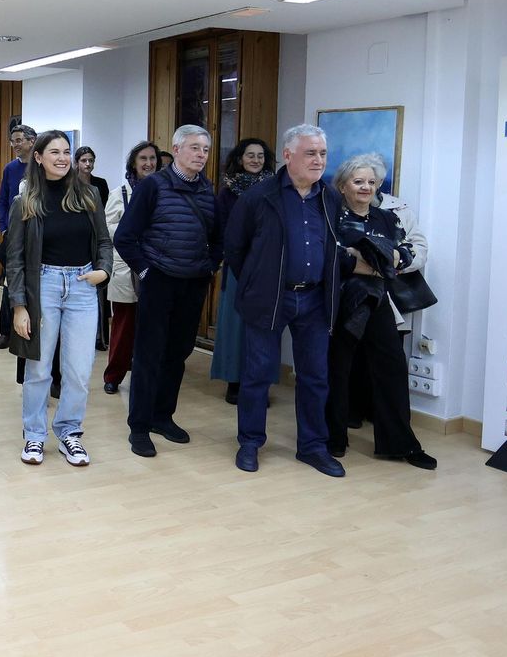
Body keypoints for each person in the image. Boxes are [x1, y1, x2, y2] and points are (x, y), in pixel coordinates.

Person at [223, 124, 351, 477]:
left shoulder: (330, 197)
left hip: (315, 300)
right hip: (270, 299)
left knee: (315, 377)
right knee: (257, 374)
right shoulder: (259, 196)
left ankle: (312, 446)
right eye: (310, 153)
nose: (318, 160)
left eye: (322, 153)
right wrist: (256, 283)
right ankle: (250, 442)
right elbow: (235, 247)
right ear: (288, 155)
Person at [4, 130, 113, 467]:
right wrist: (19, 306)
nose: (63, 158)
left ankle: (69, 432)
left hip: (82, 286)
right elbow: (14, 258)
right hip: (43, 286)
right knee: (39, 369)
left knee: (79, 370)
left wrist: (104, 270)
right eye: (54, 152)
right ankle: (35, 435)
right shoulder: (25, 201)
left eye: (66, 151)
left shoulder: (89, 195)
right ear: (38, 157)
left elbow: (104, 241)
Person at [325, 154, 436, 469]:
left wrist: (383, 260)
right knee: (338, 369)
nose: (366, 187)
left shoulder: (385, 218)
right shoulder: (331, 217)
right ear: (343, 185)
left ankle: (400, 444)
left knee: (392, 368)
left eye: (371, 182)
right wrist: (375, 262)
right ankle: (334, 439)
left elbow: (405, 251)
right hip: (343, 301)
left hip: (377, 300)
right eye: (358, 181)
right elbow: (332, 257)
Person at [115, 125, 221, 456]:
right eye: (194, 148)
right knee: (149, 354)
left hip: (193, 282)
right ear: (176, 150)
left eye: (205, 149)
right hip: (160, 280)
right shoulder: (152, 186)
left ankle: (163, 417)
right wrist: (146, 271)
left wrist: (210, 266)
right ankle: (139, 426)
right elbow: (124, 237)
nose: (201, 154)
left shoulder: (207, 190)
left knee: (178, 353)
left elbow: (218, 237)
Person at [209, 138, 274, 404]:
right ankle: (235, 381)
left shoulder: (276, 191)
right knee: (235, 326)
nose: (256, 160)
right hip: (237, 267)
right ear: (239, 159)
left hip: (268, 269)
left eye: (260, 155)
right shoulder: (227, 194)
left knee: (264, 328)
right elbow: (223, 231)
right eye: (250, 155)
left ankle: (259, 384)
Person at [102, 141, 160, 394]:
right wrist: (135, 227)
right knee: (123, 325)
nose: (148, 163)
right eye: (143, 159)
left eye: (152, 158)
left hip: (156, 265)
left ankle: (145, 377)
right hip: (126, 267)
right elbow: (107, 228)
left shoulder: (164, 190)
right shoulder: (120, 193)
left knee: (152, 327)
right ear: (133, 164)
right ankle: (113, 375)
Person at [0, 123, 36, 348]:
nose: (15, 145)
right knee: (10, 280)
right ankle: (6, 331)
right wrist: (4, 228)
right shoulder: (10, 168)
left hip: (36, 234)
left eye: (19, 140)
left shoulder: (41, 167)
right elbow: (2, 201)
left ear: (32, 141)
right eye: (12, 141)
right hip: (12, 234)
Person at [75, 145, 112, 351]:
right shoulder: (70, 183)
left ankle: (100, 336)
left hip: (97, 236)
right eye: (84, 160)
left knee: (100, 291)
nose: (88, 164)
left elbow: (102, 213)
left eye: (91, 160)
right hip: (80, 239)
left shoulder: (100, 184)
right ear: (77, 163)